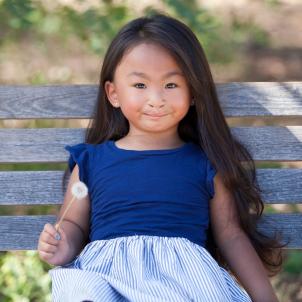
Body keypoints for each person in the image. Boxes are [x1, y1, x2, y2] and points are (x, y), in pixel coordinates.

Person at [37, 13, 284, 302]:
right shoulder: (92, 161)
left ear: (192, 92)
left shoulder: (205, 164)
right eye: (140, 85)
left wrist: (265, 298)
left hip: (183, 280)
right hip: (107, 278)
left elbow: (230, 235)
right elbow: (75, 225)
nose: (156, 98)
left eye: (171, 85)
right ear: (113, 93)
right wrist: (62, 244)